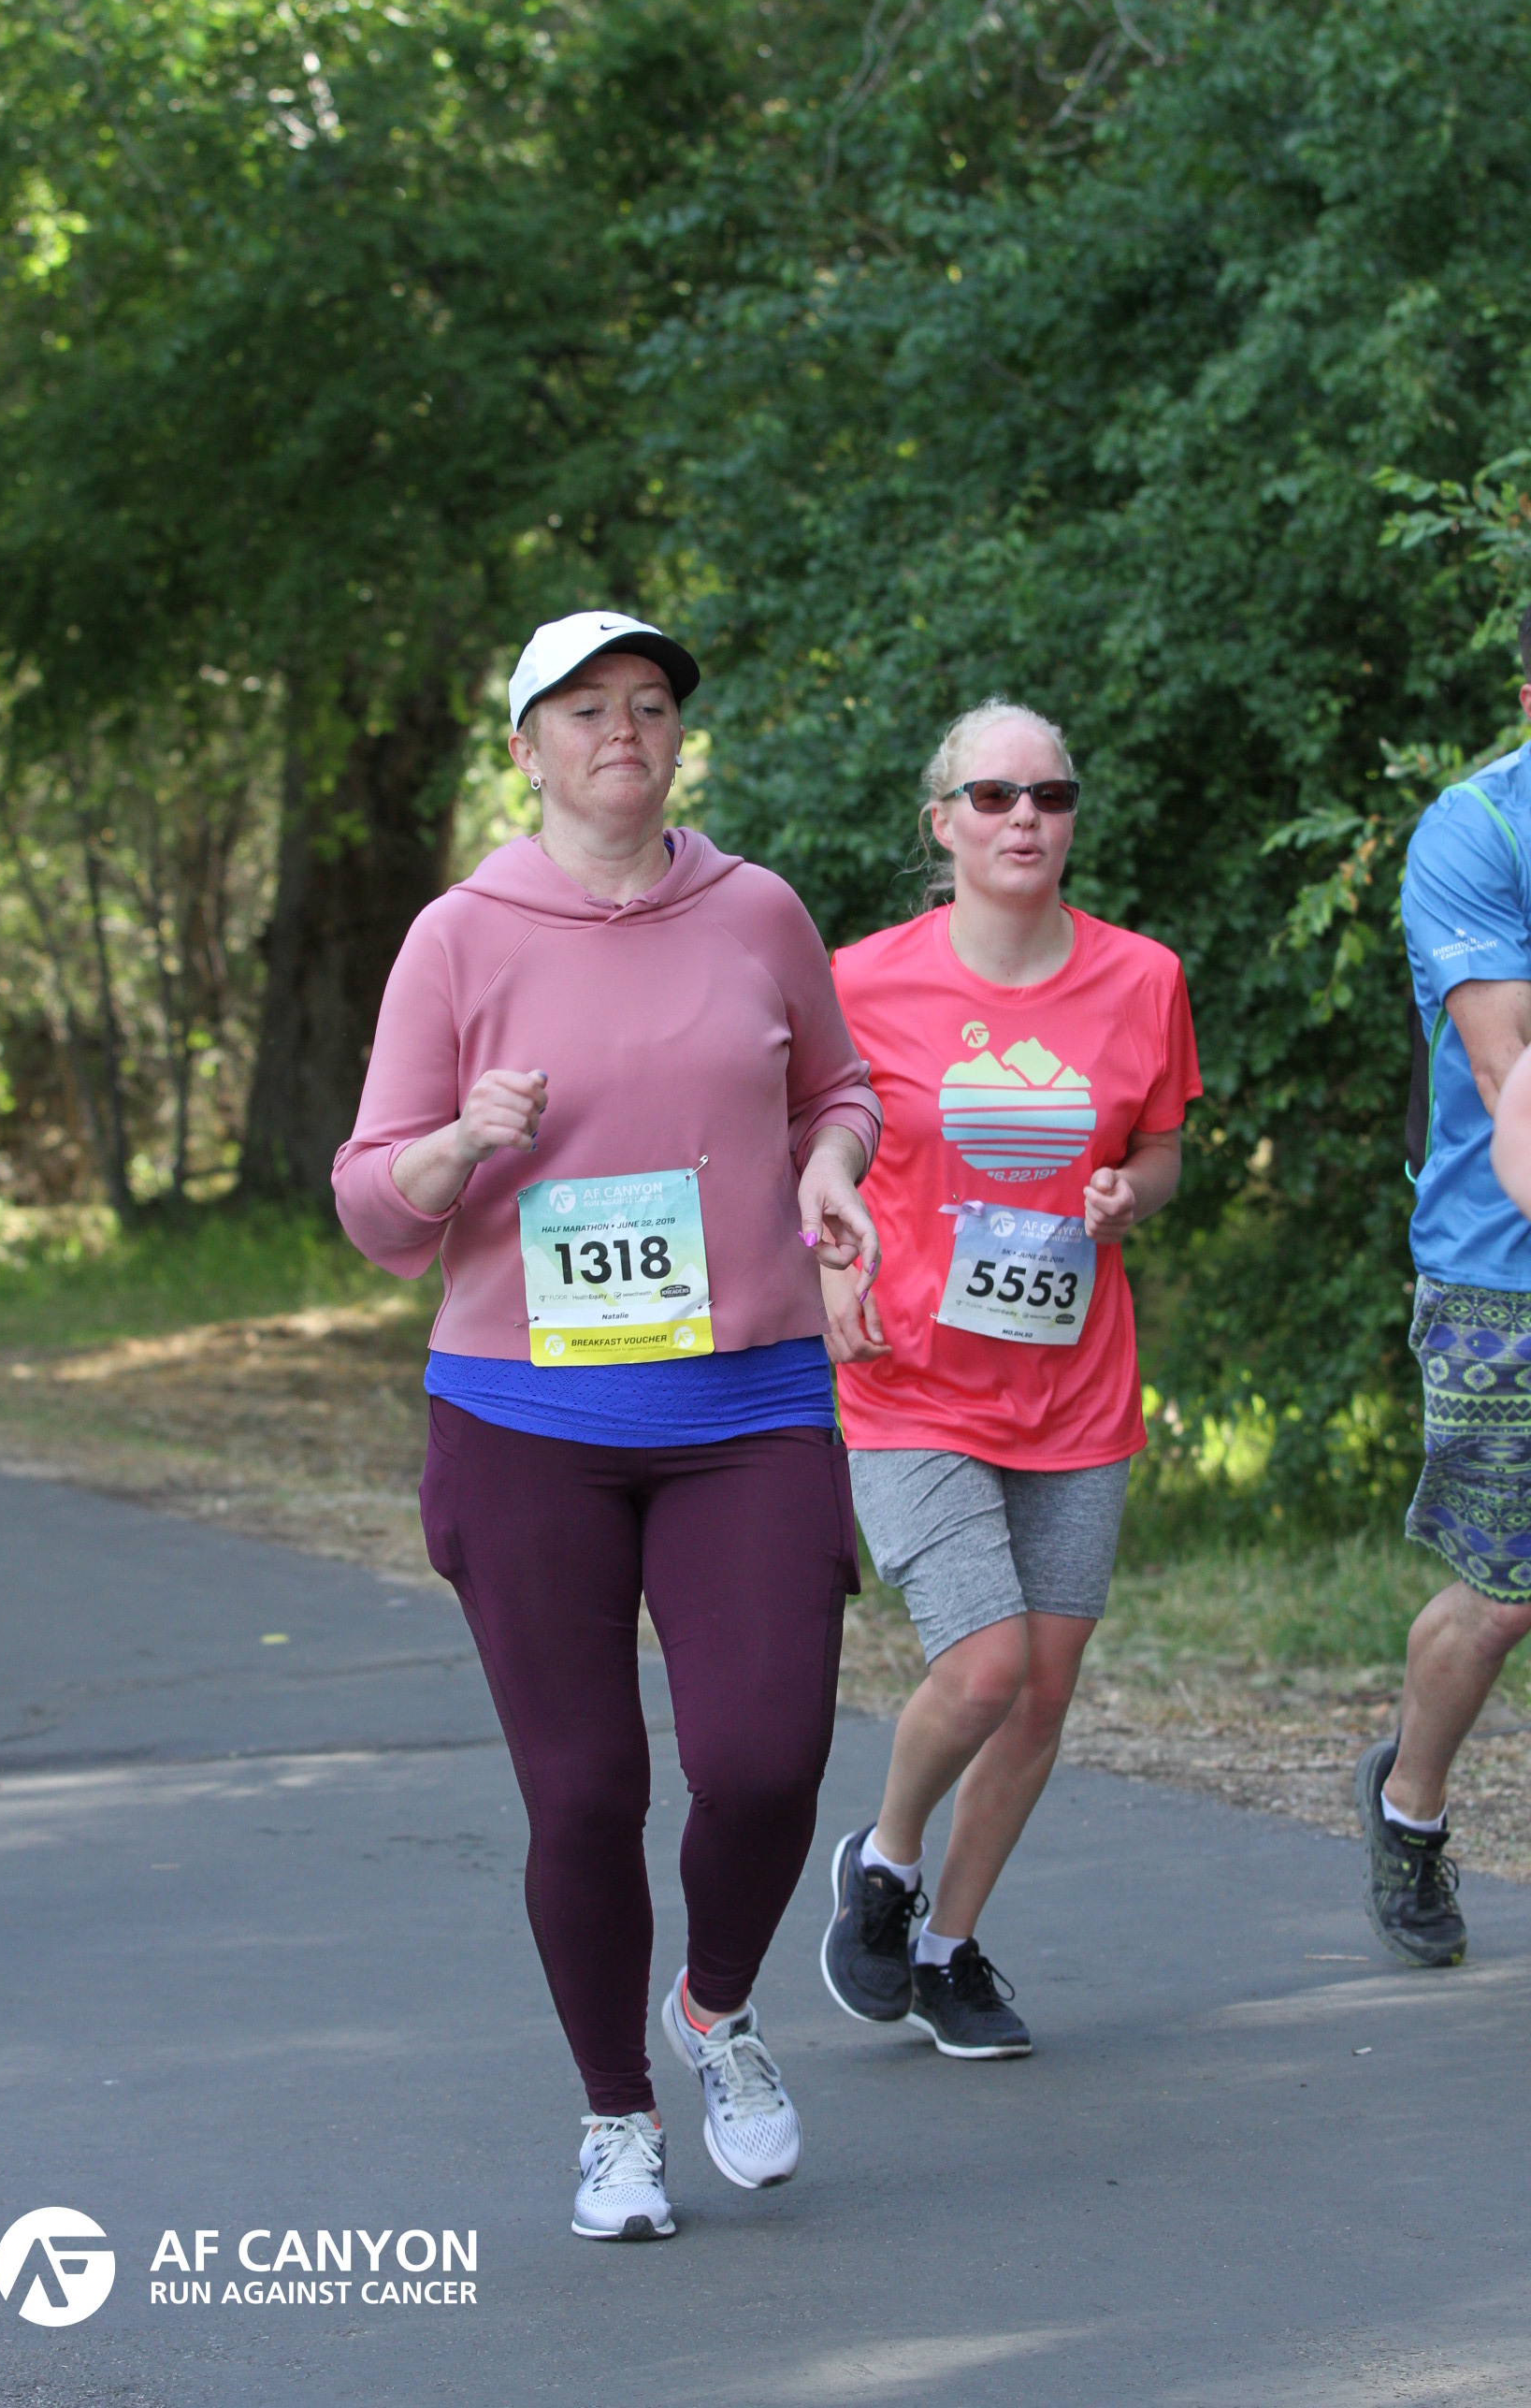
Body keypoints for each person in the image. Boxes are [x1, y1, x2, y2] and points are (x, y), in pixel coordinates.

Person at [333, 609, 881, 2241]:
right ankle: (616, 2116)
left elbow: (838, 1091)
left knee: (765, 1762)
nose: (623, 729)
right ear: (527, 748)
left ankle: (715, 2008)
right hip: (525, 1419)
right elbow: (370, 1198)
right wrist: (462, 1146)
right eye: (584, 709)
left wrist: (830, 1169)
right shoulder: (459, 936)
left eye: (648, 704)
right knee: (583, 1795)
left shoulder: (757, 909)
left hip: (749, 1402)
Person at [818, 698, 1199, 2057]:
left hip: (1075, 1390)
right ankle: (887, 1859)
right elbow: (808, 1150)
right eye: (993, 796)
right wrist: (825, 1268)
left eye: (1050, 795)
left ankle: (948, 1949)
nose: (1025, 817)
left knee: (1043, 1689)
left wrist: (1131, 1194)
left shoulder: (1143, 978)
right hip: (911, 1377)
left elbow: (1161, 1148)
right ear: (945, 822)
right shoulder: (859, 981)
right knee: (984, 1669)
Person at [1356, 607, 1531, 1967]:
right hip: (1499, 1270)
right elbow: (1504, 1067)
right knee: (1504, 1592)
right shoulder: (1476, 833)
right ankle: (1410, 1803)